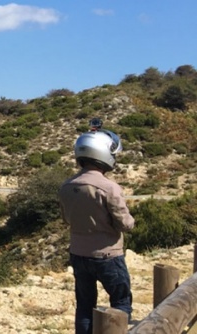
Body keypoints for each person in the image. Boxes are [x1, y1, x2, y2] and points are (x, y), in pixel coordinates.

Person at [58, 128, 135, 334]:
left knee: (84, 306)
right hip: (108, 255)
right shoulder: (110, 188)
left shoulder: (66, 186)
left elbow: (67, 219)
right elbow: (125, 224)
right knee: (120, 303)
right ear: (104, 155)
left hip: (78, 254)